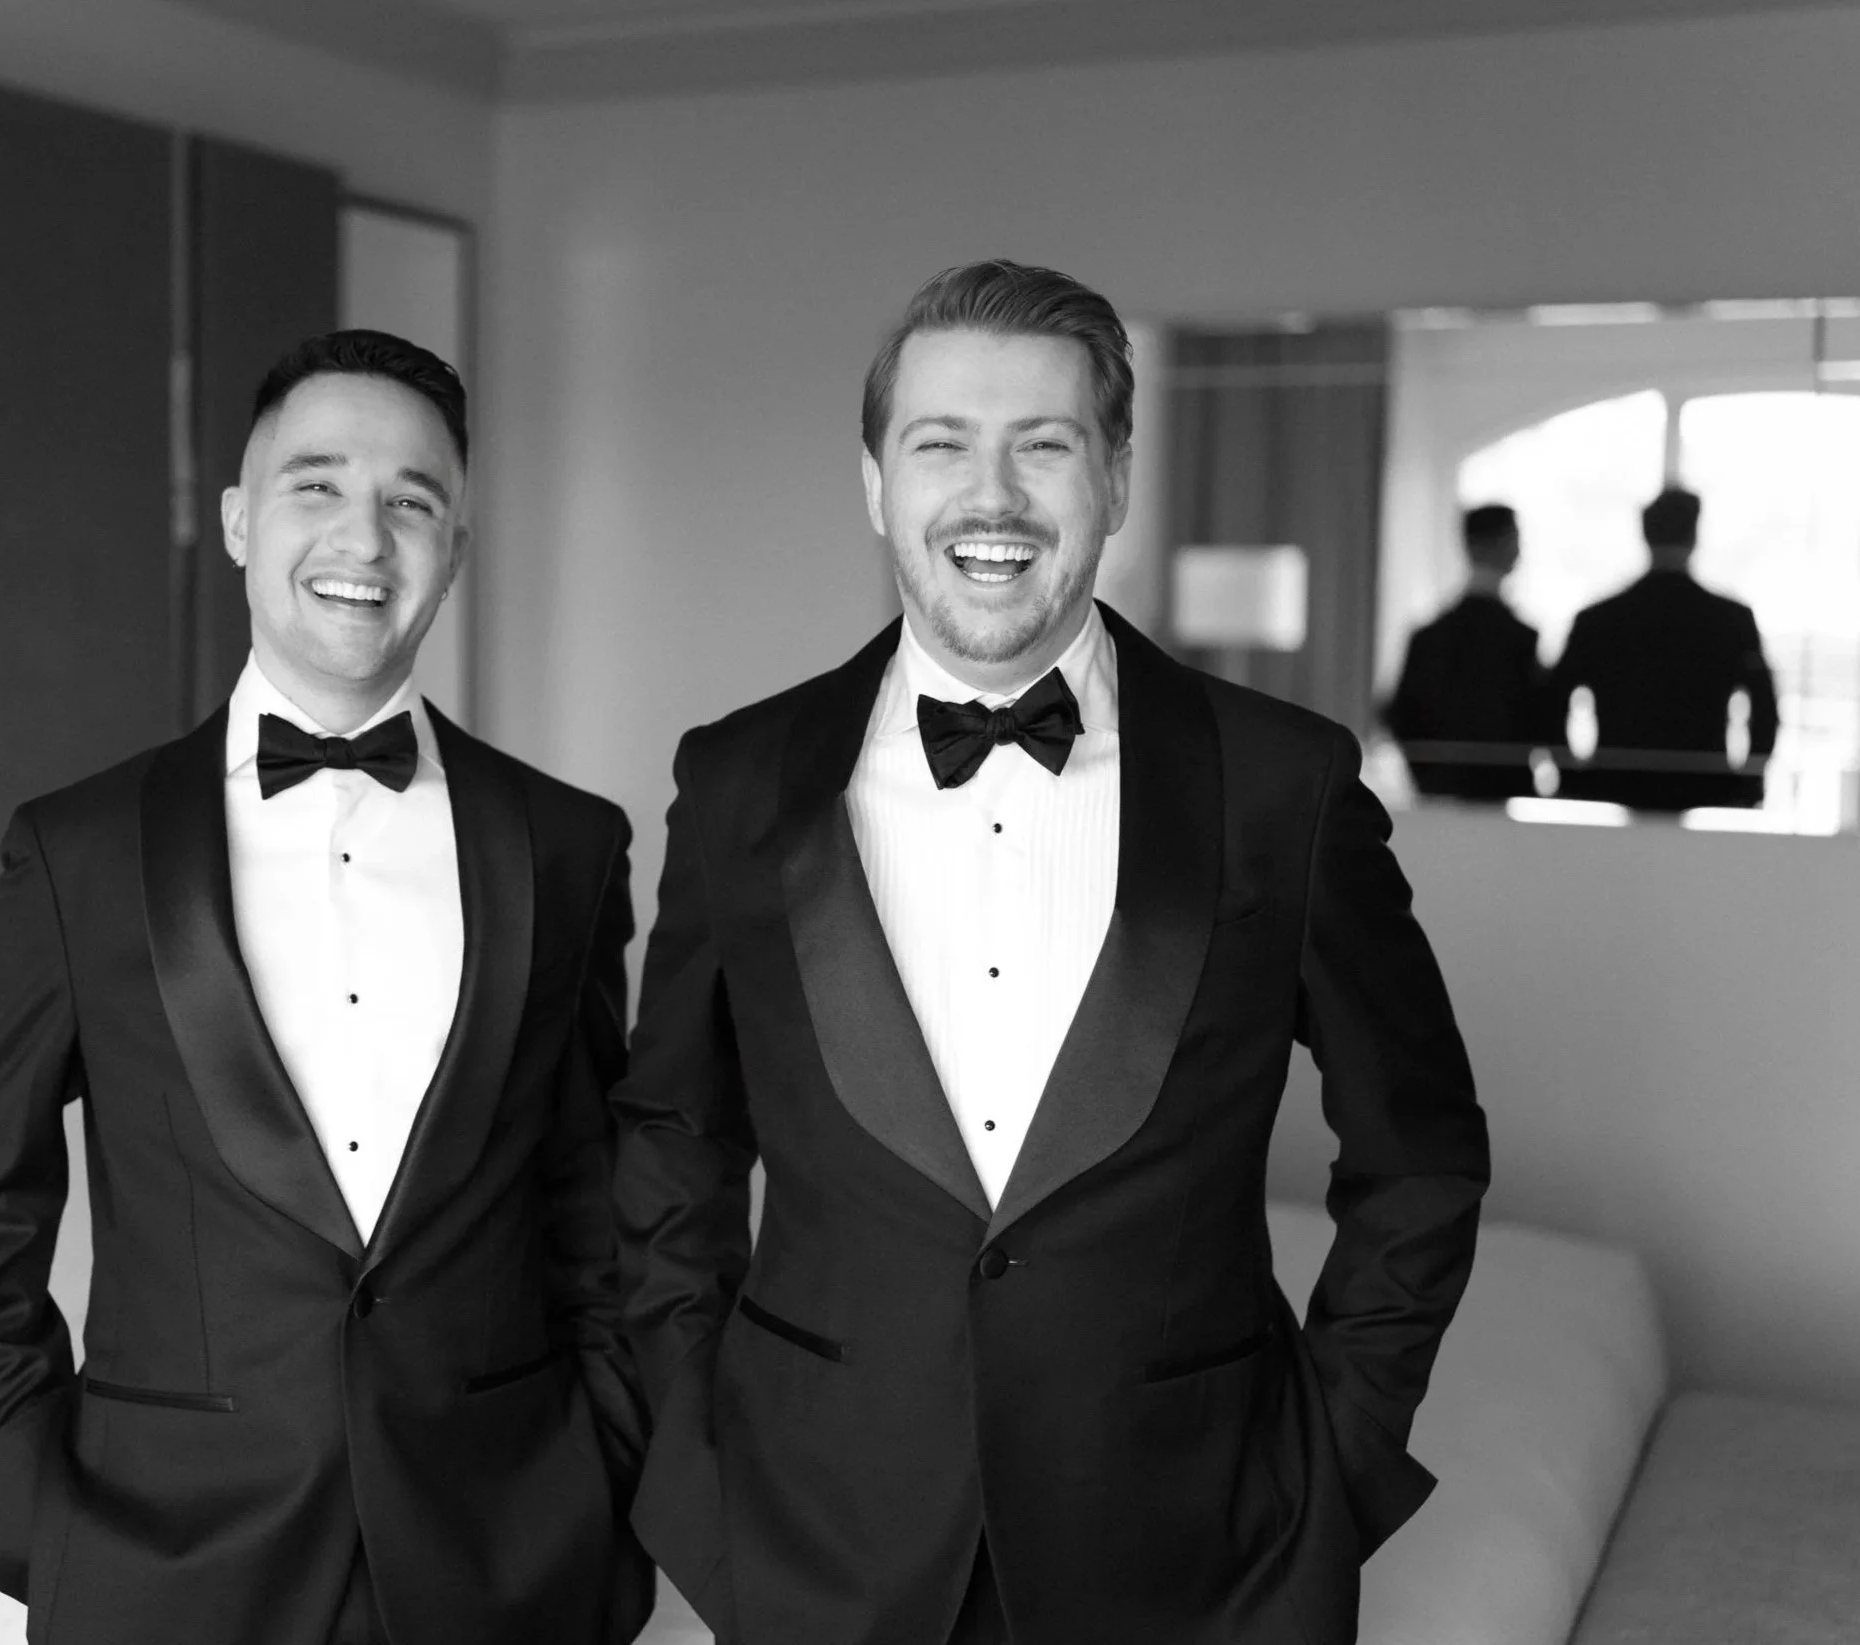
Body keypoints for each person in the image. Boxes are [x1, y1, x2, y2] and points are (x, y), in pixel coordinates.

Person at [611, 262, 1490, 1644]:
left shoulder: (1282, 784)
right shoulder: (736, 780)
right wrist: (696, 1455)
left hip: (1196, 1553)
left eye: (1046, 444)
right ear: (875, 483)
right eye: (941, 443)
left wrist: (1339, 1461)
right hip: (811, 1543)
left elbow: (1422, 1149)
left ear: (1118, 477)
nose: (993, 496)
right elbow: (670, 1136)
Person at [0, 330, 653, 1645]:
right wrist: (43, 1494)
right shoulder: (79, 849)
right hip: (164, 1553)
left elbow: (595, 1203)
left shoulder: (569, 845)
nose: (364, 539)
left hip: (504, 1547)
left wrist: (597, 1466)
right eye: (318, 486)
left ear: (457, 547)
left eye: (412, 501)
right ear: (242, 522)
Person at [1548, 486, 1779, 813]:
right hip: (1705, 789)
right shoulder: (1730, 620)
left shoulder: (1598, 620)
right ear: (1694, 534)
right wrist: (1746, 785)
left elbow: (1552, 703)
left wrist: (1573, 779)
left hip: (1613, 785)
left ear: (1644, 533)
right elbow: (1765, 711)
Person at [1384, 504, 1548, 802]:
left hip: (1442, 787)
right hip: (1503, 790)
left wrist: (1429, 776)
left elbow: (1401, 714)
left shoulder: (1428, 637)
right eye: (1514, 537)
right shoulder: (1518, 638)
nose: (1519, 548)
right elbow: (1536, 718)